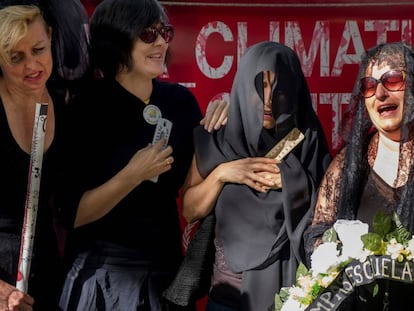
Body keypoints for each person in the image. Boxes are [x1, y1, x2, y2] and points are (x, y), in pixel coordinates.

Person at [57, 0, 227, 310]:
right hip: (101, 275)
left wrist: (223, 120)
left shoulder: (180, 101)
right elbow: (71, 215)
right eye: (148, 35)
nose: (161, 42)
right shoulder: (85, 109)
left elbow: (193, 198)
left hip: (164, 270)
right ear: (117, 40)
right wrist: (131, 176)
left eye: (165, 33)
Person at [164, 41, 332, 311]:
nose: (268, 100)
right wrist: (222, 173)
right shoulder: (218, 140)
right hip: (228, 297)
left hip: (294, 297)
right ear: (243, 85)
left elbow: (331, 216)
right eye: (260, 86)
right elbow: (190, 210)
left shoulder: (308, 141)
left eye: (278, 88)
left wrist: (294, 184)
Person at [304, 41, 414, 310]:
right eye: (369, 85)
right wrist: (334, 251)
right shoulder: (347, 165)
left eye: (392, 80)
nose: (380, 93)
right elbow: (317, 232)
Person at [0, 1, 89, 310]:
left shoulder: (65, 104)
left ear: (50, 36)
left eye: (38, 50)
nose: (31, 66)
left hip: (46, 273)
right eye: (16, 57)